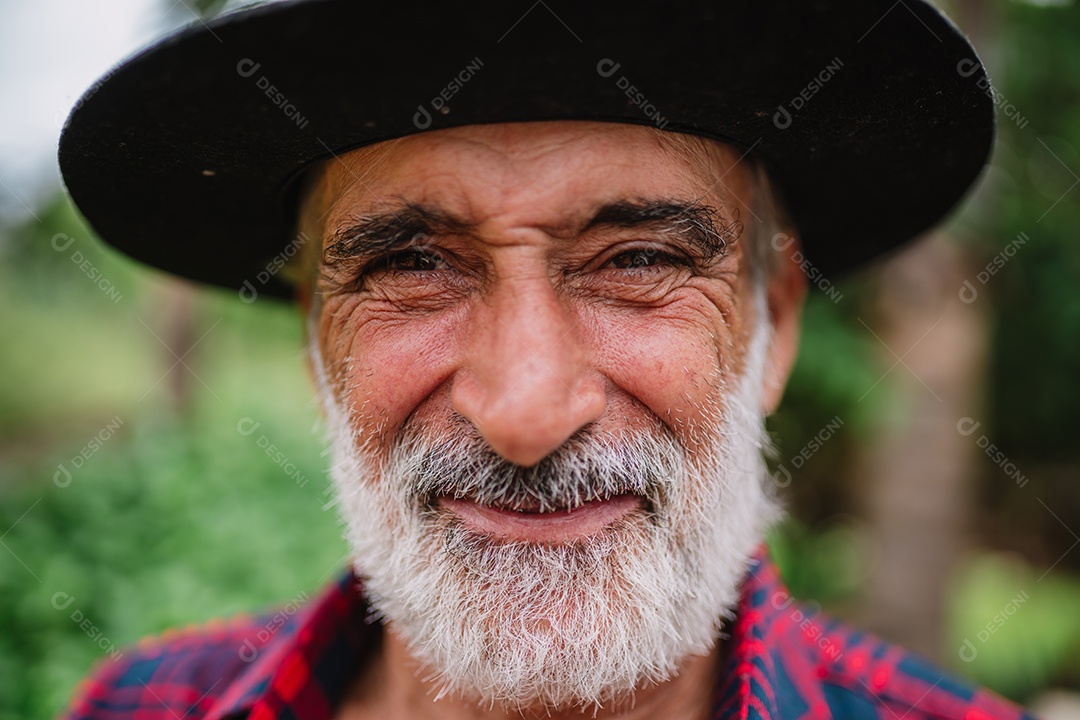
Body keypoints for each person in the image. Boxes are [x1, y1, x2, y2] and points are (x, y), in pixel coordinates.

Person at [57, 1, 1034, 718]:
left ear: (770, 329)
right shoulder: (139, 707)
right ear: (321, 351)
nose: (525, 411)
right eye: (412, 264)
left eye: (641, 262)